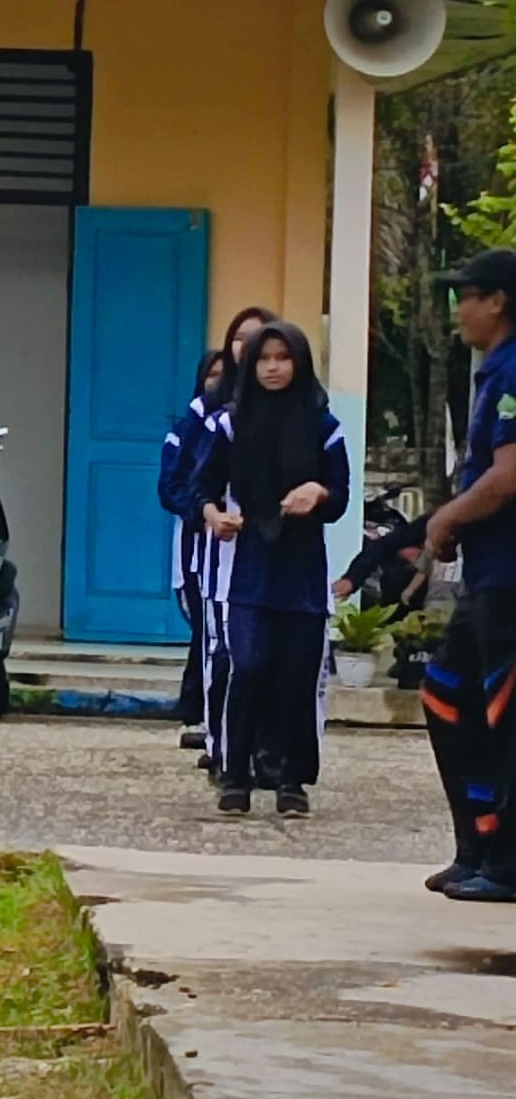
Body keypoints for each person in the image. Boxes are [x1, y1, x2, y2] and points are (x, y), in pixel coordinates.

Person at [193, 319, 349, 817]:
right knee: (251, 667)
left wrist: (318, 493)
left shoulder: (325, 426)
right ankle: (235, 775)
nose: (273, 367)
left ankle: (291, 782)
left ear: (300, 363)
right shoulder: (230, 423)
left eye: (283, 358)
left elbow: (341, 494)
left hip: (302, 573)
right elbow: (201, 486)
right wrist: (214, 515)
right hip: (247, 570)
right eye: (264, 358)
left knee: (296, 678)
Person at [423, 248, 516, 901]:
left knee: (505, 714)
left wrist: (447, 516)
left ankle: (507, 862)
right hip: (486, 574)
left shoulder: (514, 370)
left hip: (510, 574)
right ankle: (476, 842)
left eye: (468, 294)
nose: (459, 308)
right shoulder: (492, 371)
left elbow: (509, 474)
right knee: (446, 693)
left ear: (499, 300)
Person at [162, 307, 271, 766]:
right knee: (219, 645)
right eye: (238, 340)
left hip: (272, 554)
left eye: (258, 340)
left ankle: (267, 748)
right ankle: (221, 741)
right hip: (211, 554)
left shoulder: (303, 412)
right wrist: (206, 513)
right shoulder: (202, 418)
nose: (248, 351)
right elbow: (177, 485)